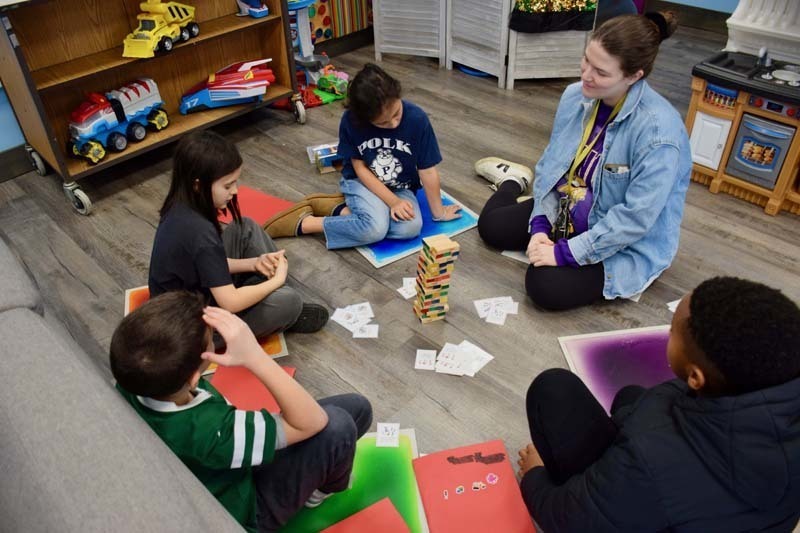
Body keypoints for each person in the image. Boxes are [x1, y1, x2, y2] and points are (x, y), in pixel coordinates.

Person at [517, 277, 800, 532]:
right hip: (735, 503)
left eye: (673, 332)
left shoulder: (651, 463)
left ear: (695, 377)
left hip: (655, 488)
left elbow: (568, 519)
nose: (668, 335)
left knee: (553, 389)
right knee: (630, 396)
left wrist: (534, 476)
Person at [476, 12, 691, 311]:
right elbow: (554, 167)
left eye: (601, 72)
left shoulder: (659, 133)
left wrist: (564, 254)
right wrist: (540, 225)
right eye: (586, 60)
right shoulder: (575, 96)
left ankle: (548, 230)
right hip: (571, 206)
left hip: (619, 237)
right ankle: (513, 180)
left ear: (633, 76)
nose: (586, 75)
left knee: (545, 287)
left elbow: (635, 219)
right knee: (491, 228)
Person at [110, 291, 373, 532]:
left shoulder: (134, 383)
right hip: (247, 511)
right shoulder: (212, 430)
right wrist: (254, 355)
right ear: (192, 378)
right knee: (339, 426)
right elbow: (314, 422)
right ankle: (316, 494)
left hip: (218, 473)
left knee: (357, 408)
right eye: (211, 338)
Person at [148, 130, 329, 338]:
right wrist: (276, 282)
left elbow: (207, 262)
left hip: (199, 294)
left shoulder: (182, 205)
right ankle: (279, 305)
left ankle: (265, 293)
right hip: (190, 330)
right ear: (197, 185)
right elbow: (230, 302)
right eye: (227, 185)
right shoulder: (199, 232)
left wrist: (253, 263)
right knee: (289, 302)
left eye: (235, 182)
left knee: (246, 227)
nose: (235, 191)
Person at [263, 63, 462, 247]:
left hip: (400, 187)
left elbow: (427, 171)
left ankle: (342, 209)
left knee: (409, 228)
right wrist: (392, 203)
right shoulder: (352, 121)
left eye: (396, 114)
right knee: (374, 230)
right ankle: (307, 223)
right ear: (365, 119)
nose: (393, 124)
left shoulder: (417, 119)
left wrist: (439, 213)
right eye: (383, 123)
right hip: (361, 181)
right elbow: (359, 168)